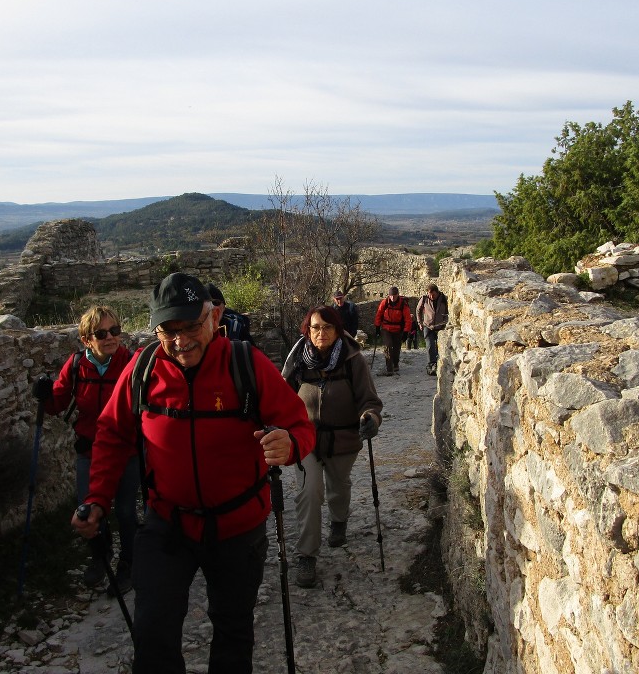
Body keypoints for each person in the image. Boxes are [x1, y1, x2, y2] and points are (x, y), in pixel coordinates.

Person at [71, 273, 315, 674]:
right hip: (168, 524)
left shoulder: (245, 363)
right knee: (152, 635)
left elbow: (300, 426)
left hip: (238, 529)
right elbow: (113, 434)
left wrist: (290, 445)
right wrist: (97, 498)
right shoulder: (143, 368)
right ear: (156, 330)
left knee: (234, 636)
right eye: (168, 330)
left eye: (190, 326)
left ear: (214, 316)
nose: (180, 340)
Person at [34, 305, 138, 595]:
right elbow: (58, 402)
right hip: (89, 449)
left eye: (115, 331)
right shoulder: (78, 365)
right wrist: (45, 396)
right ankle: (100, 555)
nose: (111, 338)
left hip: (126, 451)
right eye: (102, 333)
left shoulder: (129, 363)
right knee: (87, 509)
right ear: (86, 340)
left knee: (127, 512)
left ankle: (128, 564)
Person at [281, 306, 382, 589]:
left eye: (327, 328)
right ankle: (307, 555)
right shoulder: (298, 360)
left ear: (337, 331)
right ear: (308, 330)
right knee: (309, 492)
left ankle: (338, 521)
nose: (321, 333)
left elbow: (369, 400)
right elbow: (281, 396)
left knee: (339, 487)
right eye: (315, 328)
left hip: (343, 439)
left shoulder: (352, 359)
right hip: (306, 439)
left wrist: (370, 418)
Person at [373, 286, 413, 376]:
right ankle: (389, 369)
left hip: (398, 329)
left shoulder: (403, 304)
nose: (392, 298)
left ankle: (395, 364)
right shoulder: (385, 302)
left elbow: (408, 319)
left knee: (396, 348)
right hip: (386, 328)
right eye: (391, 296)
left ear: (398, 295)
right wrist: (377, 327)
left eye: (394, 296)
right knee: (388, 346)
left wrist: (406, 332)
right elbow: (379, 314)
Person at [415, 283, 449, 376]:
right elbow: (418, 310)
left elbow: (447, 312)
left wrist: (445, 322)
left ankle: (438, 364)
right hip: (428, 326)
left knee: (439, 347)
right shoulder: (424, 299)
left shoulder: (443, 299)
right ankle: (431, 365)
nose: (431, 296)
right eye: (429, 294)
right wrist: (419, 322)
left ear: (437, 292)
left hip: (440, 327)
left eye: (432, 294)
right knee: (430, 346)